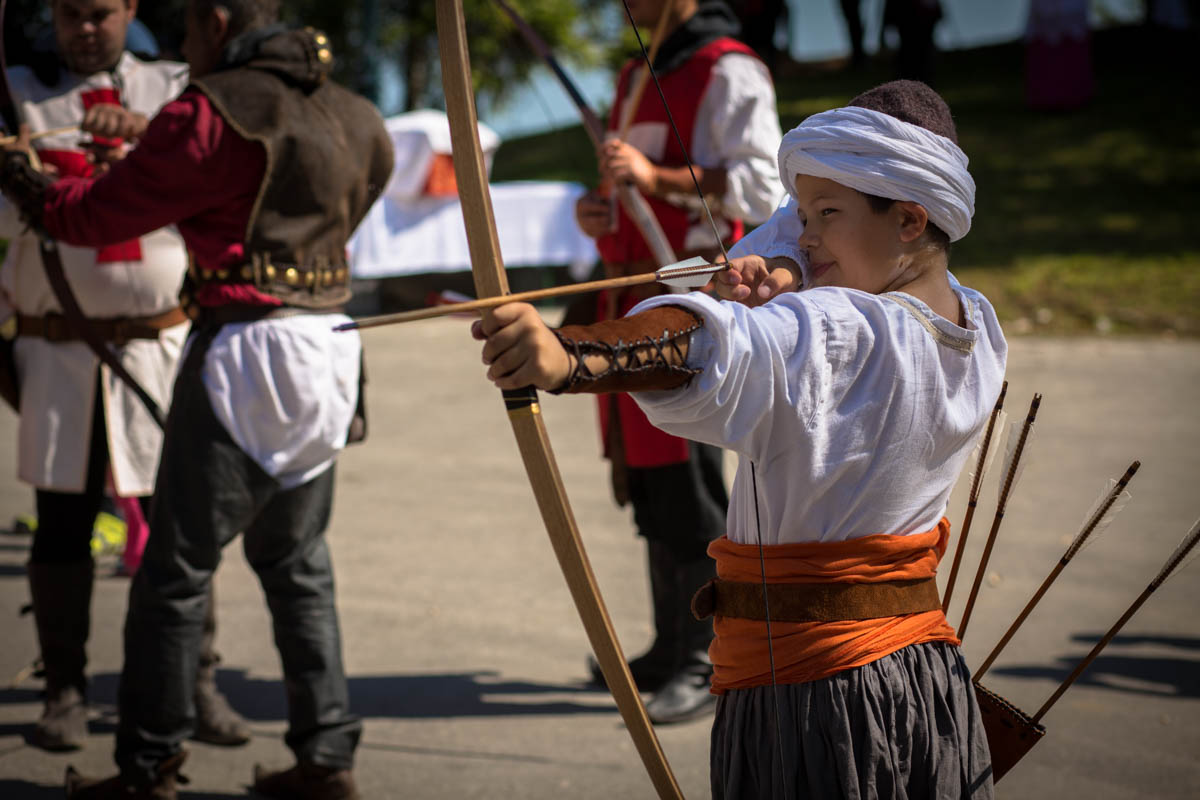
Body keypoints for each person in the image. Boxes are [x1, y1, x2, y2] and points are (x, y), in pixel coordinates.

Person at [473, 79, 1002, 797]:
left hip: (817, 694)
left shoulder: (843, 330)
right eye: (805, 215)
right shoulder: (976, 324)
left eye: (827, 214)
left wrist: (570, 357)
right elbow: (802, 241)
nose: (806, 233)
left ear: (910, 220)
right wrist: (791, 259)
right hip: (920, 675)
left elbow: (715, 348)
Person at [1, 0, 393, 797]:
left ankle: (148, 768)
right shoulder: (354, 111)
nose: (182, 48)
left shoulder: (208, 110)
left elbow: (94, 216)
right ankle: (327, 758)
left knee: (174, 574)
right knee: (299, 568)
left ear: (217, 23)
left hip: (245, 352)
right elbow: (364, 184)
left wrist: (30, 188)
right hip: (328, 348)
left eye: (187, 32)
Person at [0, 0, 247, 752]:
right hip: (60, 349)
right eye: (70, 13)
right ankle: (64, 690)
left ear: (130, 10)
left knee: (182, 525)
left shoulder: (179, 86)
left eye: (100, 13)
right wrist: (24, 171)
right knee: (63, 528)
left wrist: (146, 151)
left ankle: (194, 681)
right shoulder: (15, 93)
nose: (84, 29)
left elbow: (220, 185)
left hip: (162, 348)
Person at [572, 0, 784, 725]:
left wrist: (657, 178)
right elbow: (625, 190)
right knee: (654, 485)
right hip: (635, 291)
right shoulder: (638, 70)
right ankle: (668, 649)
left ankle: (706, 659)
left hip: (690, 295)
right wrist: (601, 210)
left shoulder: (727, 67)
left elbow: (762, 187)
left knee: (692, 486)